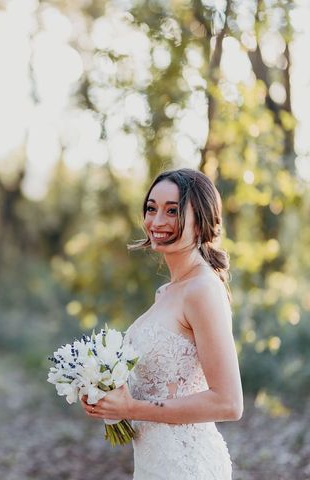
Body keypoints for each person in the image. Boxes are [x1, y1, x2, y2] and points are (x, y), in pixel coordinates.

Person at [81, 169, 243, 479]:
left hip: (187, 465)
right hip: (154, 463)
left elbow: (229, 402)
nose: (156, 221)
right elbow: (158, 384)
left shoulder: (203, 290)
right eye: (151, 208)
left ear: (201, 218)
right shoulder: (166, 293)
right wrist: (103, 394)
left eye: (172, 211)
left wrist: (130, 409)